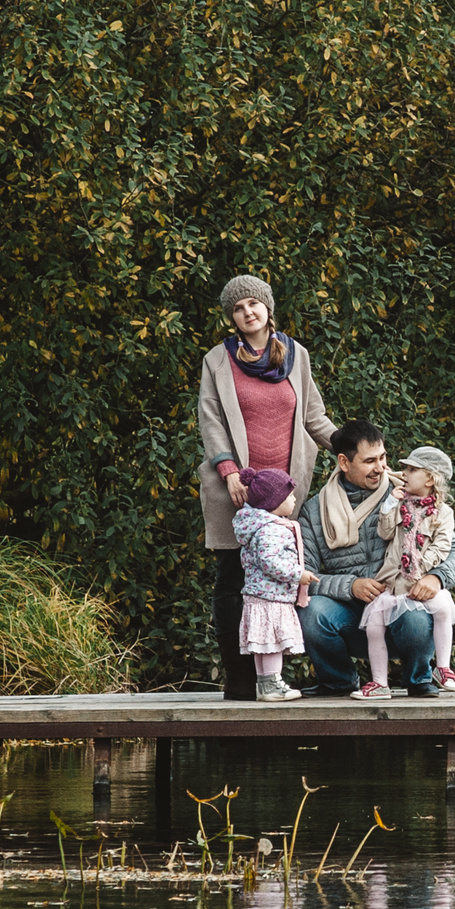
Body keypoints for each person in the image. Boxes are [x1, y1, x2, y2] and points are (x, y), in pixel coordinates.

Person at [197, 275, 336, 699]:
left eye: (253, 304)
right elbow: (211, 420)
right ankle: (240, 683)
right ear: (232, 318)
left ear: (267, 308)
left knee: (276, 585)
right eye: (238, 308)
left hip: (282, 496)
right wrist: (229, 470)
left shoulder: (297, 356)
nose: (247, 312)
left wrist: (354, 449)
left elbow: (315, 418)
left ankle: (270, 678)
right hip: (235, 489)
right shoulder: (217, 360)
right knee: (232, 582)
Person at [300, 421, 455, 697]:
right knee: (312, 611)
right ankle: (338, 681)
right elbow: (302, 575)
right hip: (351, 616)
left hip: (401, 607)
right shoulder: (314, 510)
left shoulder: (409, 495)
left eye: (382, 458)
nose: (381, 467)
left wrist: (436, 577)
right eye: (369, 461)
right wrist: (350, 586)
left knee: (416, 615)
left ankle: (419, 679)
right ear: (344, 462)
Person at [355, 447, 455, 699]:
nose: (404, 473)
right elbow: (385, 532)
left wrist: (421, 565)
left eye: (412, 470)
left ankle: (443, 668)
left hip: (418, 581)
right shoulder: (399, 504)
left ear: (429, 479)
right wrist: (390, 503)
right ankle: (379, 682)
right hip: (393, 585)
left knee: (444, 610)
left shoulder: (443, 513)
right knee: (373, 626)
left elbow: (443, 544)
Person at [232, 468, 316, 701]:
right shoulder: (271, 529)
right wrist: (297, 574)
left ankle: (265, 684)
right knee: (272, 643)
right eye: (289, 496)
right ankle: (271, 684)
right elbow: (269, 561)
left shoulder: (259, 525)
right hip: (271, 596)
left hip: (260, 595)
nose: (294, 499)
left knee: (263, 641)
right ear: (274, 501)